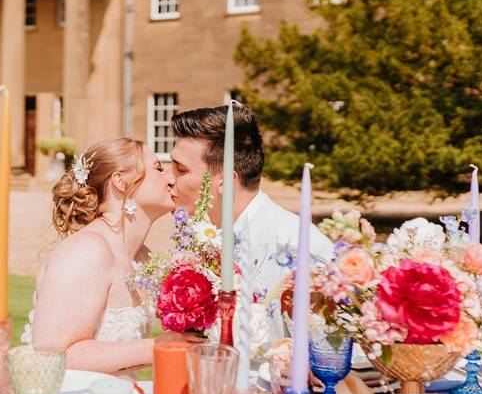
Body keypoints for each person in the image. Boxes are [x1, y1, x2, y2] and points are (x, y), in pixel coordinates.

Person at [23, 137, 202, 373]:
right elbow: (52, 355)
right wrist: (159, 347)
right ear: (121, 181)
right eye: (158, 168)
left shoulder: (143, 258)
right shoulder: (86, 252)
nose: (171, 179)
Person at [169, 104, 334, 305]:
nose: (169, 179)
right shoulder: (202, 243)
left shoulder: (297, 247)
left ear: (224, 181)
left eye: (181, 170)